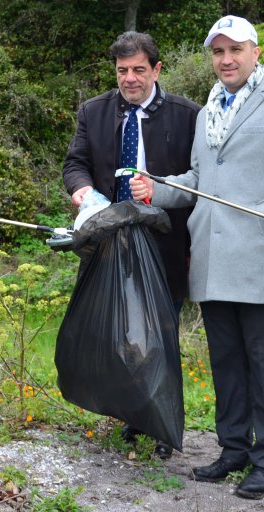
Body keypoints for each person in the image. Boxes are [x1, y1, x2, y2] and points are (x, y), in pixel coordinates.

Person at [129, 15, 264, 499]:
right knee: (227, 365)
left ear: (256, 52)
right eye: (217, 52)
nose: (226, 59)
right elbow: (200, 181)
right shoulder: (207, 111)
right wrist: (160, 189)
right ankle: (233, 449)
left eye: (235, 49)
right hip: (213, 261)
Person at [62, 31, 200, 458]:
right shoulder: (95, 111)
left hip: (165, 243)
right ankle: (132, 417)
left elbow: (198, 183)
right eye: (123, 71)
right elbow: (75, 163)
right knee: (119, 334)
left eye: (139, 69)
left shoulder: (187, 115)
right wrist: (83, 193)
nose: (130, 79)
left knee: (159, 334)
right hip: (109, 240)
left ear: (157, 70)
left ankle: (161, 426)